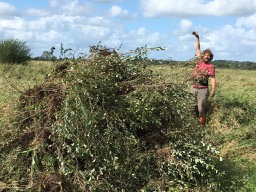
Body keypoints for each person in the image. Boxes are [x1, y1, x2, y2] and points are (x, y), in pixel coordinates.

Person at [191, 31, 216, 126]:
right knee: (192, 108)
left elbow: (212, 78)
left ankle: (201, 127)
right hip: (193, 87)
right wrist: (197, 37)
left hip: (203, 89)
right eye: (205, 55)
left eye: (208, 56)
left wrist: (213, 90)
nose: (206, 57)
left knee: (201, 109)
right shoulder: (199, 61)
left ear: (210, 58)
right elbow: (197, 48)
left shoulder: (211, 66)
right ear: (202, 56)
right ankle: (192, 126)